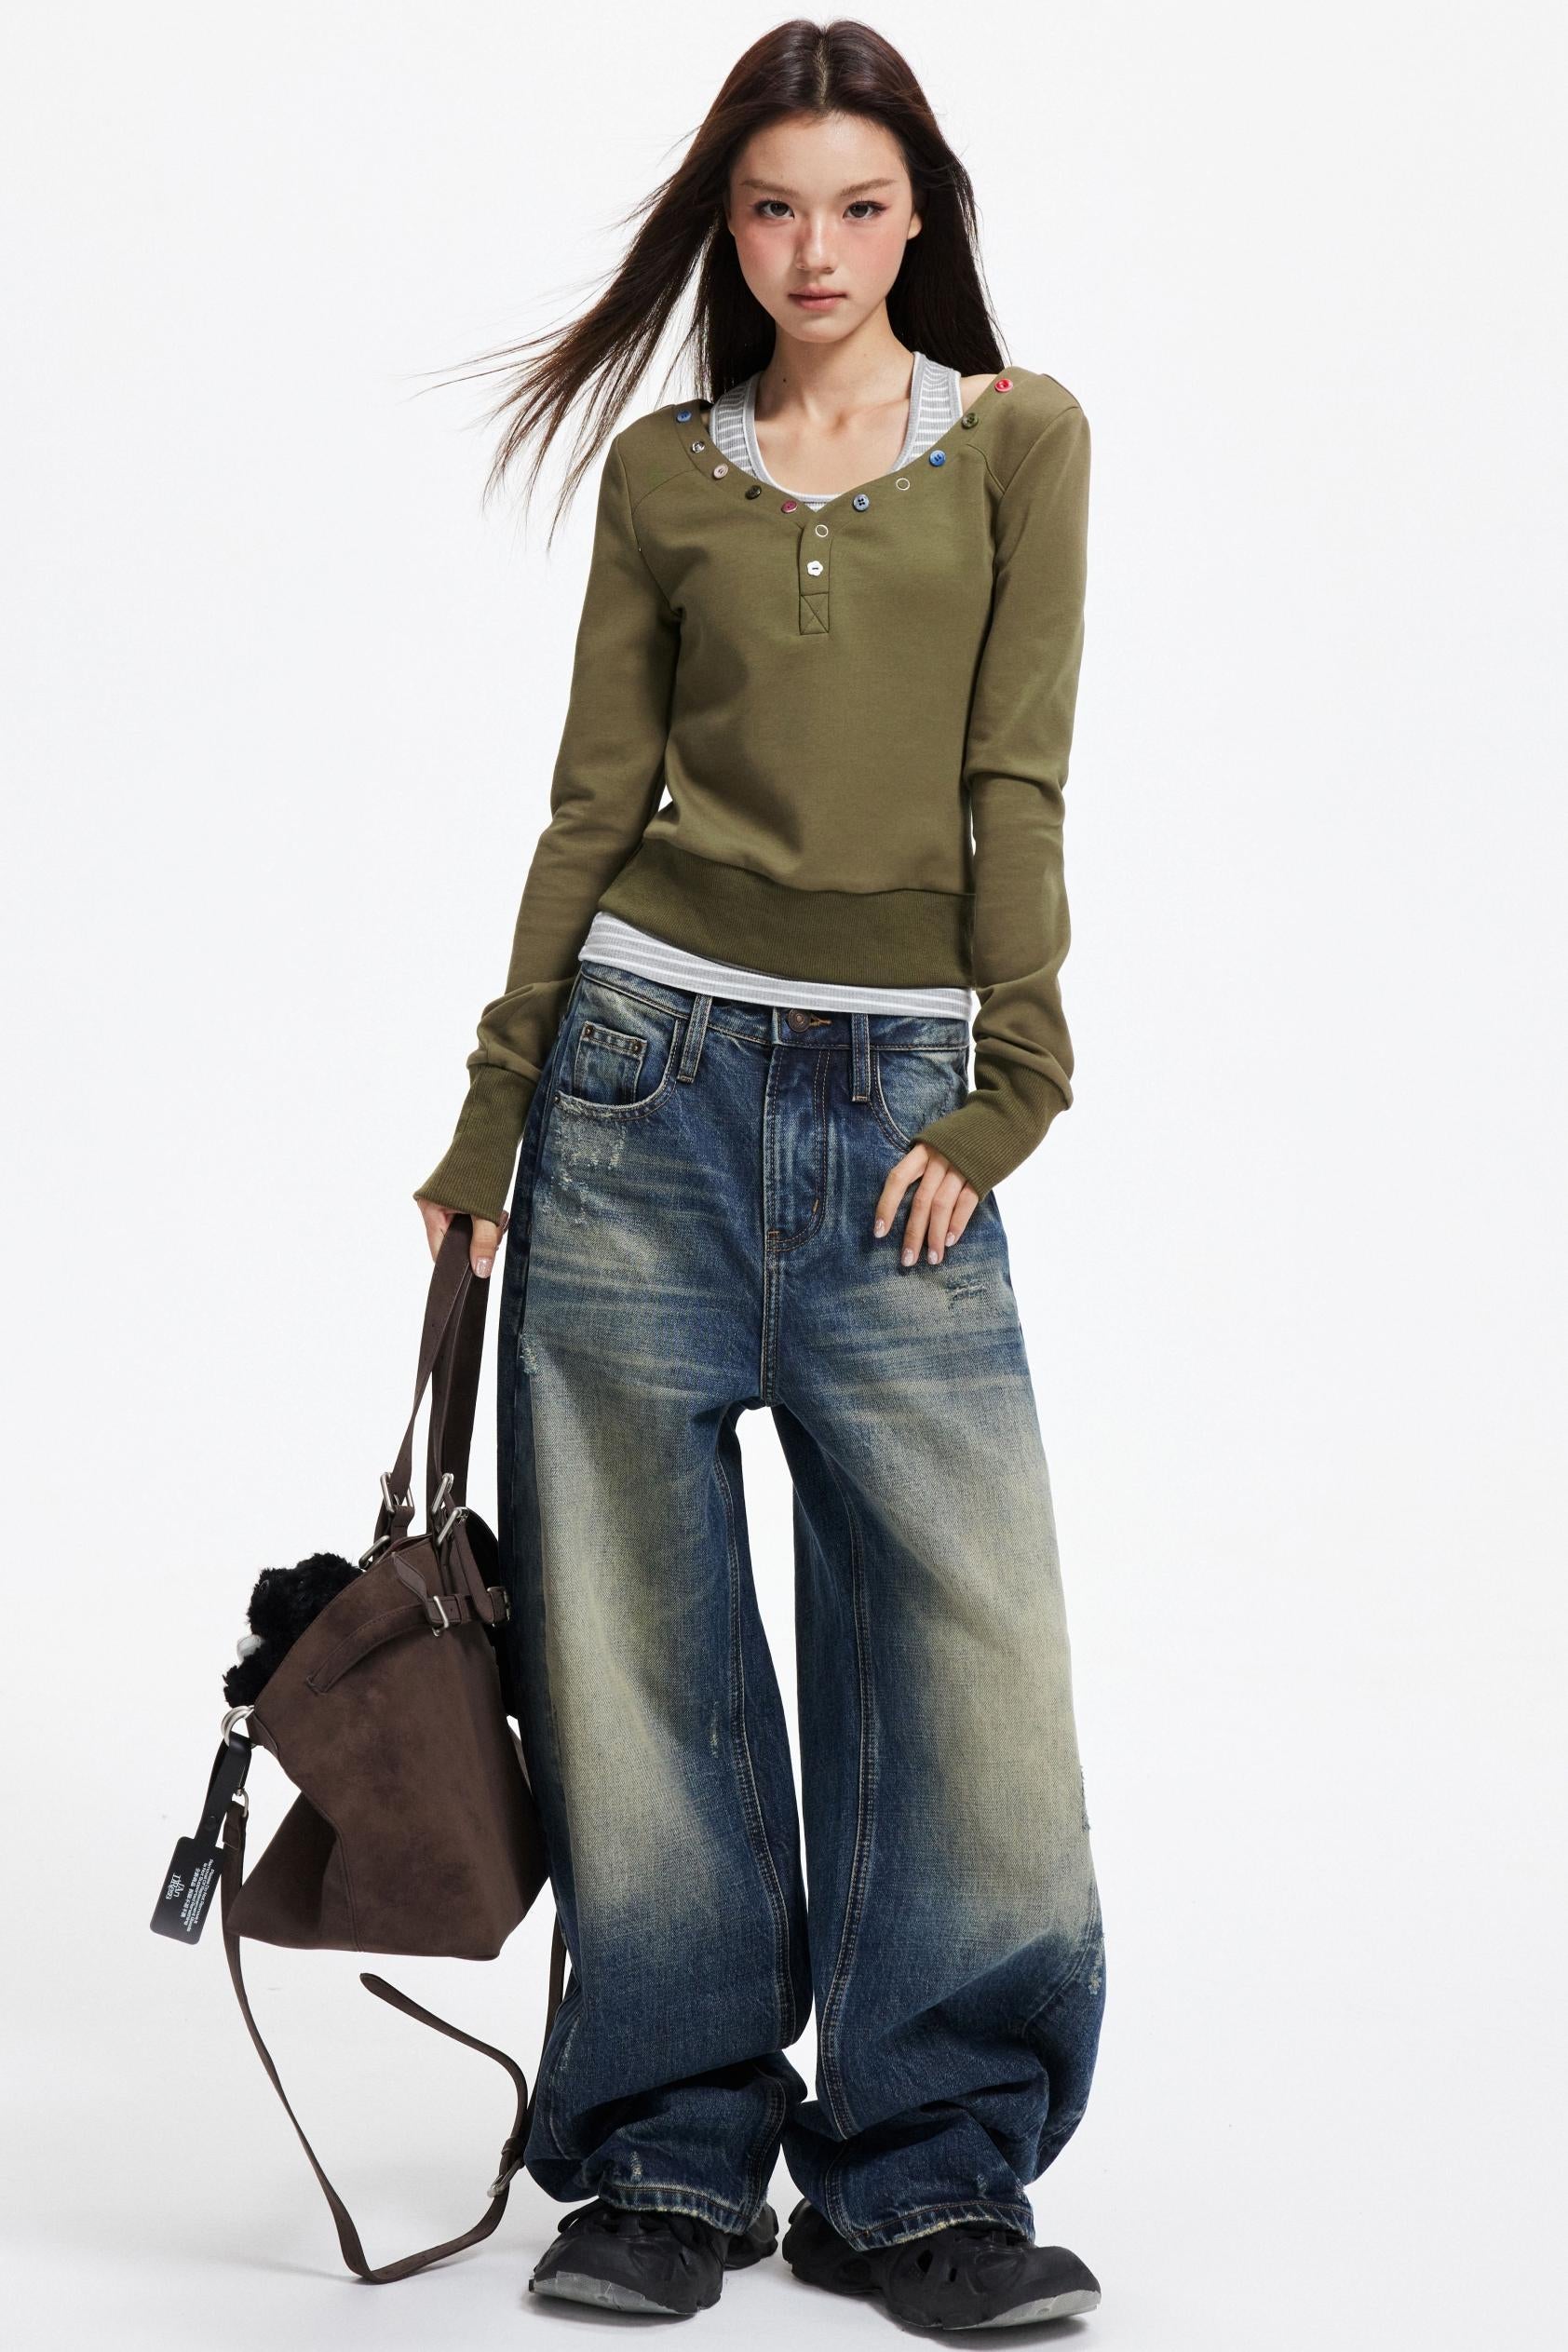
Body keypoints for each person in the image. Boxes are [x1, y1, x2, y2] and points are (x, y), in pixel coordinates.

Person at [413, 19, 1106, 2333]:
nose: (815, 250)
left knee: (963, 1648)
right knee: (634, 1652)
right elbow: (588, 802)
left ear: (921, 220)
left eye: (858, 206)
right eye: (772, 208)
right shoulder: (663, 473)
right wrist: (492, 1113)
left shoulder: (1017, 443)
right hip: (636, 1086)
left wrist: (1011, 1082)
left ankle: (925, 2176)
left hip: (899, 1102)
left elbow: (1017, 778)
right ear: (727, 227)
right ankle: (666, 2156)